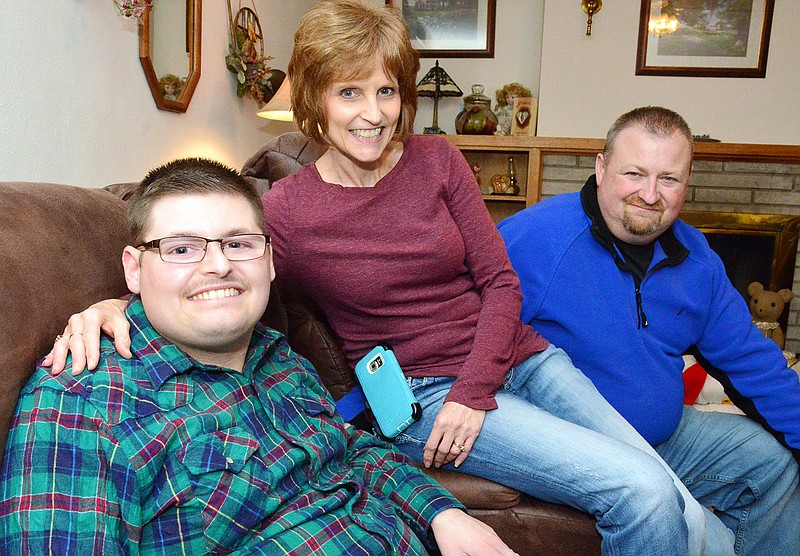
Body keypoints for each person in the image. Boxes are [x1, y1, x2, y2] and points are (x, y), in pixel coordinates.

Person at [44, 3, 726, 554]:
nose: (374, 112)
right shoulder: (285, 212)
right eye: (349, 92)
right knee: (640, 490)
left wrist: (476, 388)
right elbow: (214, 258)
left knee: (673, 493)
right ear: (314, 99)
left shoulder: (437, 161)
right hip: (418, 393)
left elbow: (500, 284)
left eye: (387, 90)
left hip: (524, 362)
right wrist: (114, 302)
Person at [0, 158, 514, 555]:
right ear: (134, 270)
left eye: (239, 244)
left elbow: (352, 450)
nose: (219, 265)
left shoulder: (278, 356)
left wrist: (445, 514)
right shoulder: (84, 402)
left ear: (268, 260)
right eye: (182, 249)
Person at [498, 106, 800, 555]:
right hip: (574, 449)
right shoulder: (534, 238)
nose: (650, 194)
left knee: (771, 464)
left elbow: (754, 365)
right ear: (601, 168)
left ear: (687, 183)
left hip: (664, 438)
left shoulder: (697, 259)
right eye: (634, 173)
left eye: (669, 179)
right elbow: (450, 328)